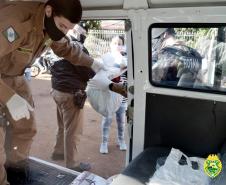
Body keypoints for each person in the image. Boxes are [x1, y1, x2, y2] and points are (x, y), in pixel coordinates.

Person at [0, 1, 106, 184]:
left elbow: (66, 48)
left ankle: (15, 169)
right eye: (62, 26)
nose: (64, 32)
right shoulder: (17, 20)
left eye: (68, 29)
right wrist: (8, 98)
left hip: (14, 76)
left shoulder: (51, 27)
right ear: (48, 11)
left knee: (26, 127)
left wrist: (92, 63)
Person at [50, 23, 95, 171]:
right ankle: (72, 164)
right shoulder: (78, 48)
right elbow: (88, 72)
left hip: (57, 91)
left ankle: (58, 152)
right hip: (71, 94)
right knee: (73, 131)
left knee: (62, 125)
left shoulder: (59, 44)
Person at [99, 36, 127, 154]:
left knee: (121, 121)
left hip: (122, 97)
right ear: (110, 45)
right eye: (115, 43)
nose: (117, 45)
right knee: (107, 120)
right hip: (109, 96)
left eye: (119, 43)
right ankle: (104, 142)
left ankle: (121, 140)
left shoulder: (127, 59)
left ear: (123, 46)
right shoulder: (105, 59)